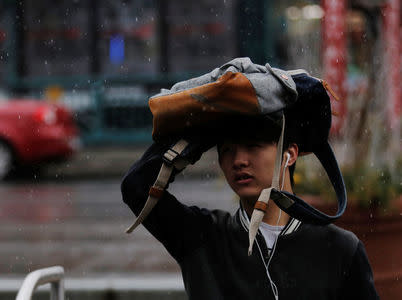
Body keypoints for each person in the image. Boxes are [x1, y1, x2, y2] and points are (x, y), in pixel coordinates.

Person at [121, 60, 379, 299]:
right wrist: (200, 130)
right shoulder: (203, 238)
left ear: (289, 154)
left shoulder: (339, 249)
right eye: (227, 150)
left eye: (253, 146)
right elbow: (136, 187)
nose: (239, 160)